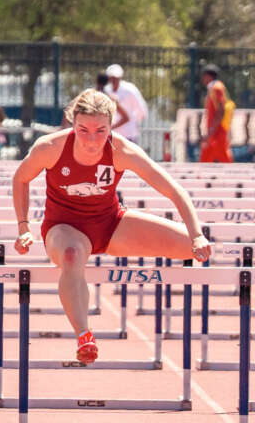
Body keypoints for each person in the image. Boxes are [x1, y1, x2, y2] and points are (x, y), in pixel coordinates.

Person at [12, 89, 212, 365]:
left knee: (191, 247)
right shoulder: (50, 148)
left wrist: (197, 235)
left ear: (111, 125)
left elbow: (174, 190)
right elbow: (20, 178)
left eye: (101, 131)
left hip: (110, 223)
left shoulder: (121, 150)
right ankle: (84, 335)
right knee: (71, 256)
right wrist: (23, 227)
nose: (92, 140)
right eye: (83, 130)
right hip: (64, 227)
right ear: (72, 123)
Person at [199, 64, 235, 163]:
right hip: (214, 130)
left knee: (224, 157)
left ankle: (232, 173)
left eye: (204, 76)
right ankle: (201, 172)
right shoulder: (213, 88)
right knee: (205, 157)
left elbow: (221, 110)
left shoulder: (217, 88)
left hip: (218, 131)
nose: (202, 79)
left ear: (208, 76)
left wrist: (211, 129)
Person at [103, 64, 148, 143]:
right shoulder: (106, 90)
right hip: (112, 135)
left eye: (115, 78)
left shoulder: (130, 90)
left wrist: (132, 121)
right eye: (111, 78)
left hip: (128, 135)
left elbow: (142, 111)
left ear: (120, 77)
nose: (113, 80)